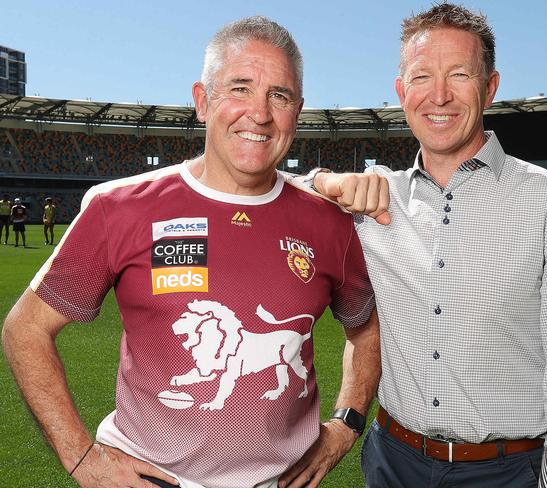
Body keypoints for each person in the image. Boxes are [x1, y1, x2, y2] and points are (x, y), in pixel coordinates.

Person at [2, 17, 379, 488]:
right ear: (202, 101)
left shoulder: (330, 223)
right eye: (239, 89)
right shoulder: (117, 207)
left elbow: (366, 331)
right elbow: (25, 329)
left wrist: (347, 424)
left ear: (296, 112)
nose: (259, 114)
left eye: (278, 96)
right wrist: (81, 456)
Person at [308, 4, 547, 487]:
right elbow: (262, 185)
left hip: (508, 470)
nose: (439, 95)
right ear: (401, 91)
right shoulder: (372, 198)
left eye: (459, 74)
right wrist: (323, 179)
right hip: (393, 461)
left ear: (490, 87)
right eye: (421, 77)